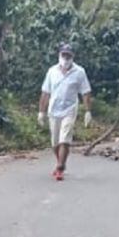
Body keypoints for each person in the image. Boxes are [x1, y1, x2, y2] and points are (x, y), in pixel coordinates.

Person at [38, 43, 93, 181]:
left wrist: (88, 111)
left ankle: (60, 167)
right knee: (55, 142)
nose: (66, 58)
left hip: (69, 109)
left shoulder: (79, 72)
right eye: (64, 55)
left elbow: (86, 92)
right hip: (54, 110)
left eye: (68, 55)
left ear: (72, 56)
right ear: (59, 55)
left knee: (65, 139)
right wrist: (41, 112)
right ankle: (60, 163)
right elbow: (45, 92)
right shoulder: (52, 71)